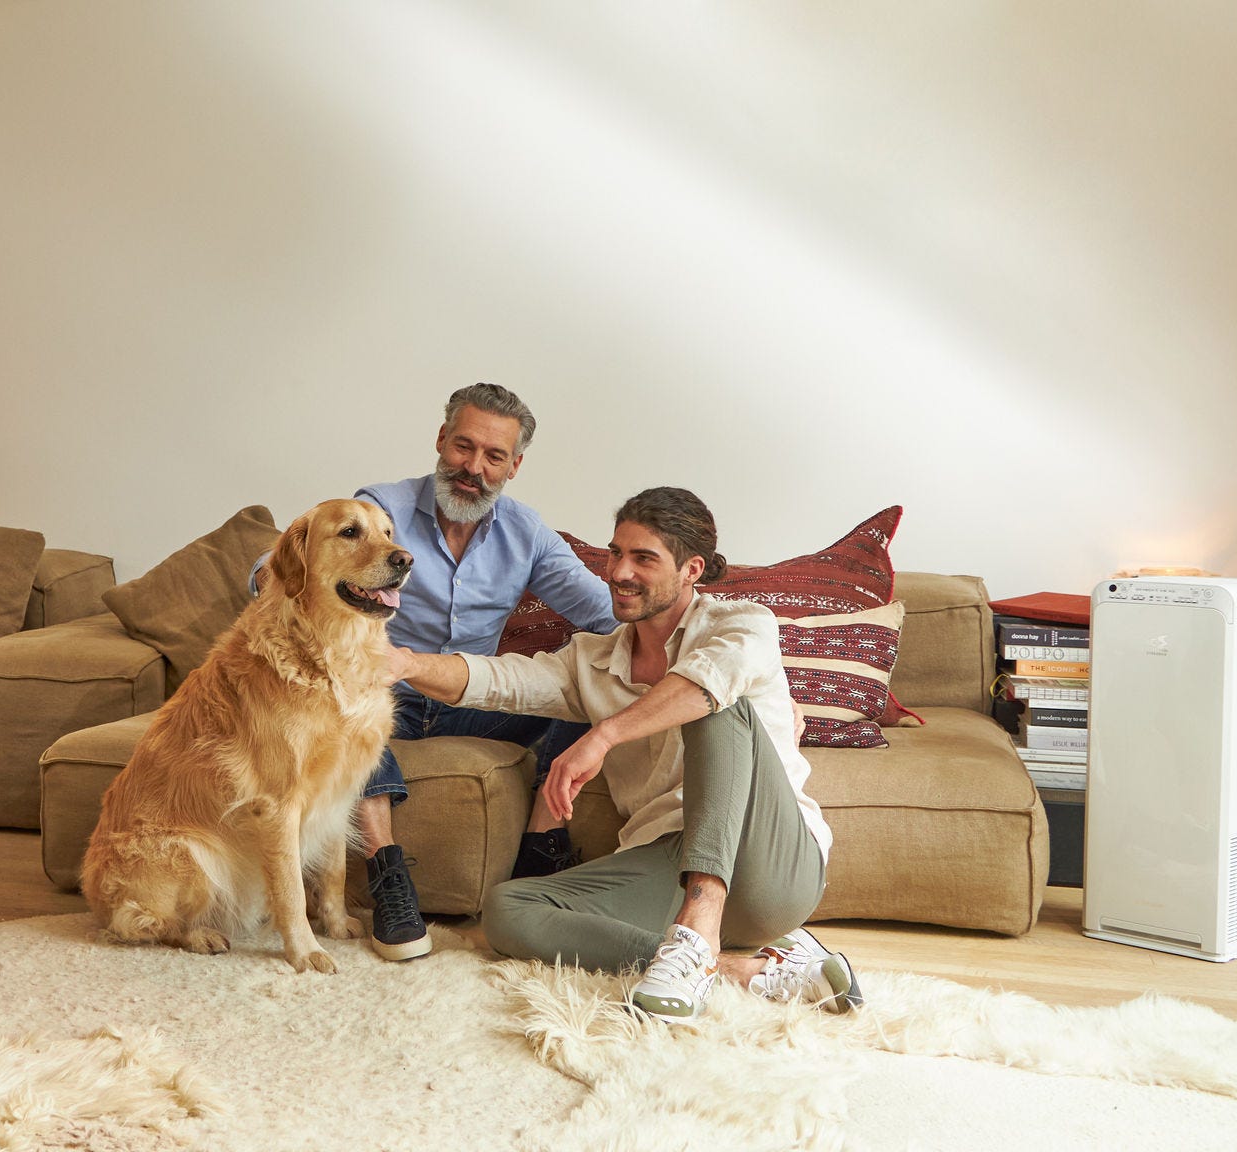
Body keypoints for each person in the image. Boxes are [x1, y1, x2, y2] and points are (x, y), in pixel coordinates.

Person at [387, 487, 862, 1020]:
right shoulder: (591, 660)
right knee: (507, 910)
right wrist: (406, 663)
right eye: (615, 553)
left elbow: (705, 685)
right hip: (665, 860)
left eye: (643, 558)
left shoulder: (743, 624)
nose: (618, 571)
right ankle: (736, 970)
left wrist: (603, 735)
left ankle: (699, 930)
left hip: (769, 862)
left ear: (691, 569)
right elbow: (499, 680)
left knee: (714, 705)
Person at [259, 384, 616, 962]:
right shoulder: (383, 509)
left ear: (514, 466)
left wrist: (697, 641)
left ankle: (538, 857)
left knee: (583, 694)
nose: (473, 468)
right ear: (441, 440)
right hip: (384, 692)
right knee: (350, 714)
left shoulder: (526, 533)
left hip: (469, 701)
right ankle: (387, 874)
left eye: (494, 456)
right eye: (463, 446)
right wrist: (278, 583)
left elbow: (604, 612)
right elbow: (295, 557)